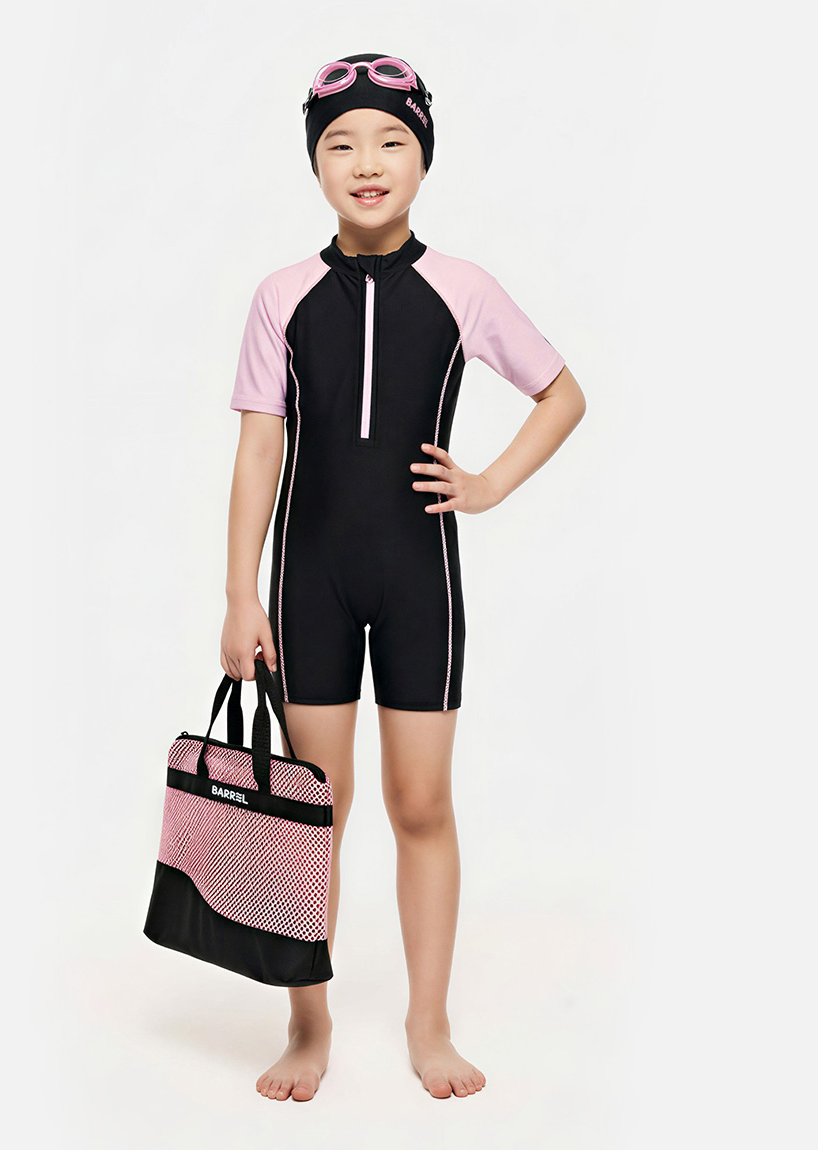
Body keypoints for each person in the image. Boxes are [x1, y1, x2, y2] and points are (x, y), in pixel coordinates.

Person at [221, 52, 586, 1102]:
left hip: (421, 577)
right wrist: (241, 594)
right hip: (310, 583)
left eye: (391, 141)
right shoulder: (282, 295)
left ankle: (430, 1021)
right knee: (314, 809)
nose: (367, 163)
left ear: (423, 158)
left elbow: (562, 394)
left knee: (420, 801)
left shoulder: (461, 287)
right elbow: (258, 449)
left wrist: (490, 484)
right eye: (341, 145)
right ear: (315, 165)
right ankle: (308, 1022)